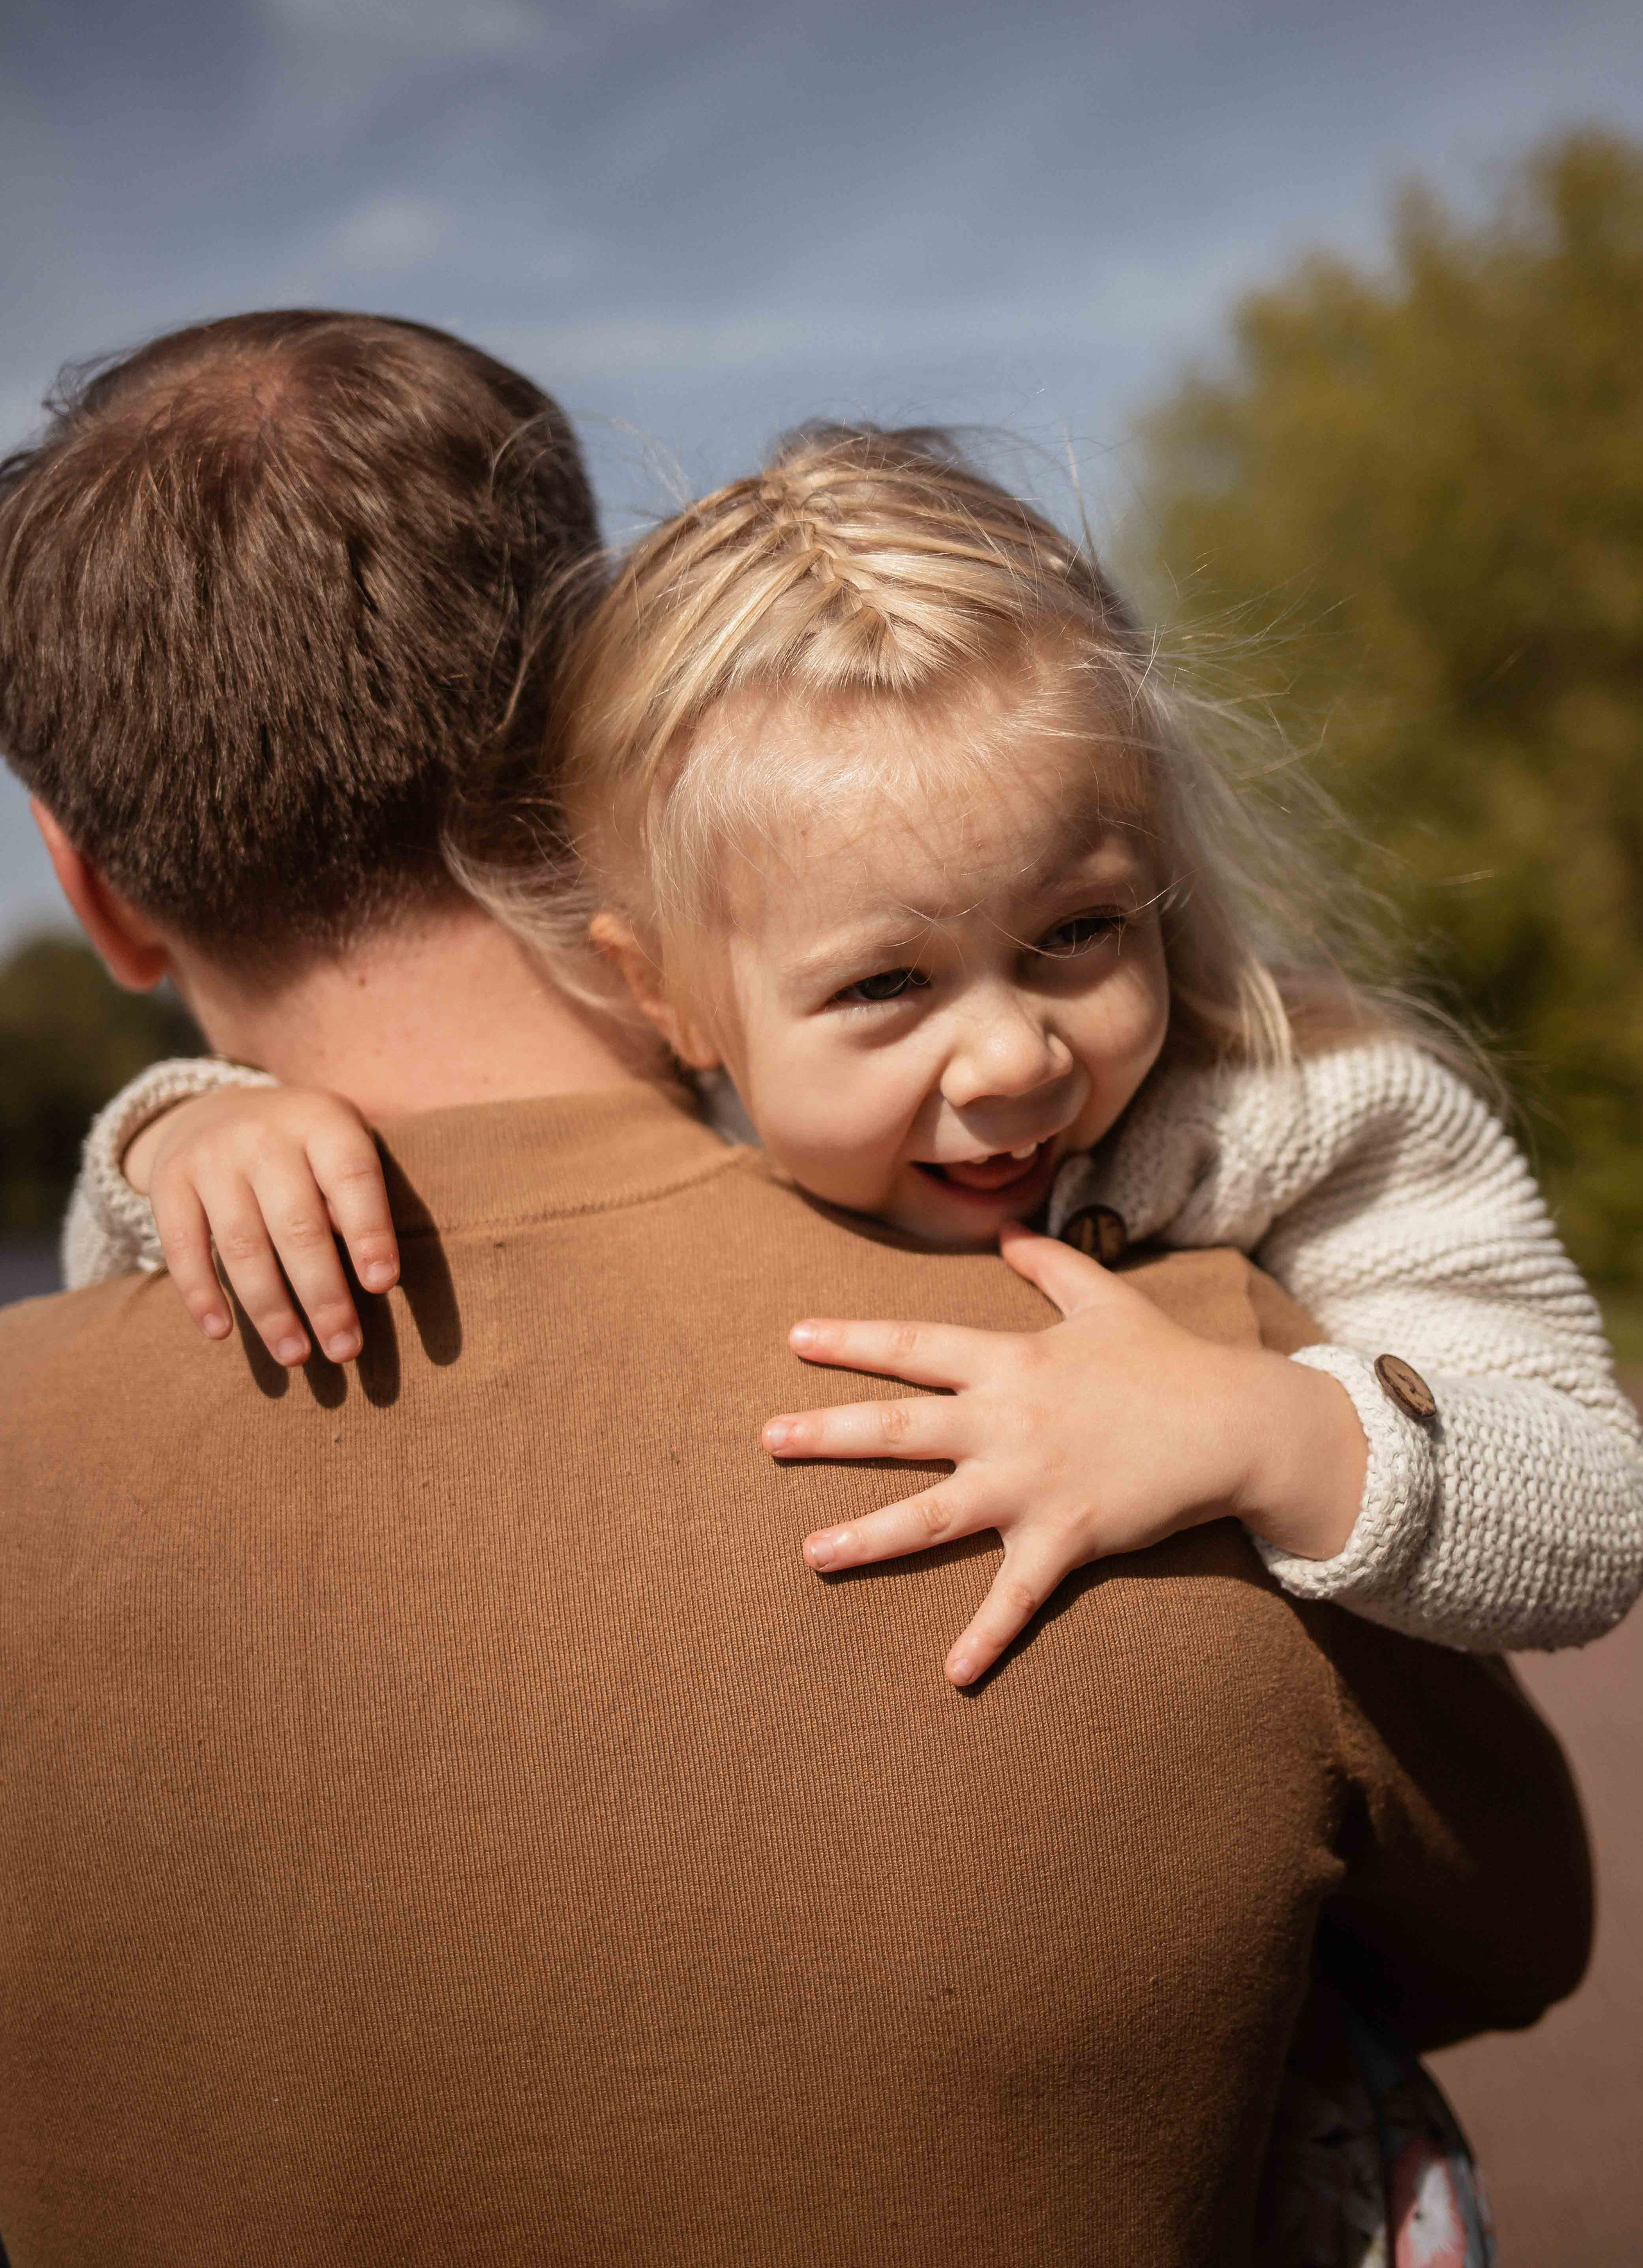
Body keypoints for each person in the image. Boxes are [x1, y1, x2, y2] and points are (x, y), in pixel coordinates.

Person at [0, 321, 1594, 2265]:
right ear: (572, 797)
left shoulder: (1208, 1326)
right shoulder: (1173, 1354)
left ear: (91, 888)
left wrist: (173, 1139)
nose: (1005, 1066)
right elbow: (1524, 1921)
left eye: (1079, 936)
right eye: (890, 987)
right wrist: (177, 1132)